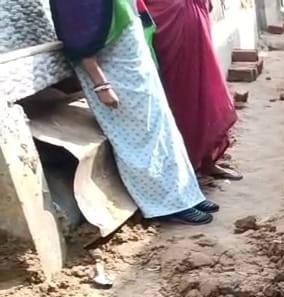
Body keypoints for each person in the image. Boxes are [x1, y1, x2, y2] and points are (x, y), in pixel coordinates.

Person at [49, 0, 218, 225]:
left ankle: (186, 196)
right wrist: (101, 84)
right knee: (139, 141)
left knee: (163, 132)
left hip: (135, 68)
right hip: (113, 74)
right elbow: (77, 36)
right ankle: (165, 206)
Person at [144, 0, 242, 181]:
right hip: (169, 24)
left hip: (195, 23)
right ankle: (182, 165)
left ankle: (207, 161)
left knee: (204, 93)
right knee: (178, 98)